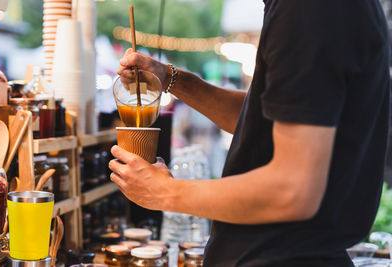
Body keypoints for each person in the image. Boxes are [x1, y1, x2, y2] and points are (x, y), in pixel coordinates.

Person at [109, 1, 391, 266]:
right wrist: (172, 79)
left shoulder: (307, 10)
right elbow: (262, 122)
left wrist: (165, 192)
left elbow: (292, 190)